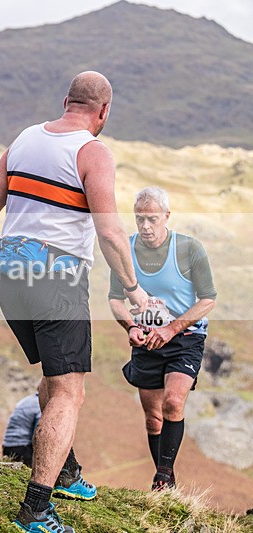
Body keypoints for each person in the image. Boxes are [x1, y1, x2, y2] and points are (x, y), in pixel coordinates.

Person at [0, 71, 148, 533]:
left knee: (54, 375)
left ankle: (65, 473)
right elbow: (109, 230)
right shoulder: (93, 152)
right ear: (103, 111)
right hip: (56, 275)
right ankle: (35, 509)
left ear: (66, 100)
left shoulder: (25, 139)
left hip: (9, 269)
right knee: (70, 392)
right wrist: (133, 289)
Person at [108, 186, 216, 491]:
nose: (145, 226)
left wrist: (171, 329)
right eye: (139, 219)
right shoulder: (125, 251)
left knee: (172, 402)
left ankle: (162, 475)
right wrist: (130, 326)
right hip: (146, 339)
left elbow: (208, 299)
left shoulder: (190, 249)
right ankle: (167, 484)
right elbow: (115, 299)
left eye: (152, 219)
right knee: (153, 419)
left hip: (185, 338)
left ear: (166, 216)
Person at [2, 390, 42, 468]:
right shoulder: (39, 404)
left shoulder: (26, 400)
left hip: (7, 445)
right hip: (22, 448)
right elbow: (38, 432)